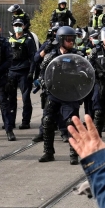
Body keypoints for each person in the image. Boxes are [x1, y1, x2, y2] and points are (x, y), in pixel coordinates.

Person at [36, 26, 84, 164]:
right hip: (54, 93)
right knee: (47, 121)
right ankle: (48, 152)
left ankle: (73, 154)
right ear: (61, 40)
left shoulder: (78, 56)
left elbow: (85, 74)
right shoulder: (51, 56)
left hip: (70, 94)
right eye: (68, 39)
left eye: (73, 39)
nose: (71, 42)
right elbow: (41, 75)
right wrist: (45, 85)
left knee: (71, 123)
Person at [6, 19, 38, 136]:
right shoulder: (9, 40)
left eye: (20, 25)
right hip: (11, 72)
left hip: (24, 72)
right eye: (15, 25)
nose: (18, 27)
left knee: (25, 98)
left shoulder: (28, 40)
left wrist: (31, 72)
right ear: (13, 27)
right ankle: (11, 121)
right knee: (11, 98)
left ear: (23, 26)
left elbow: (33, 58)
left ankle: (25, 121)